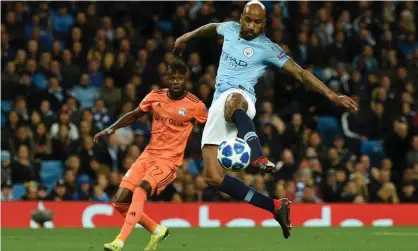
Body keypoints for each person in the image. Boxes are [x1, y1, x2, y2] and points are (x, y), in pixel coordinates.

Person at [173, 0, 358, 239]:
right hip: (218, 104)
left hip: (242, 98)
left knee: (234, 99)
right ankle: (274, 207)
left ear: (264, 23)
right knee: (213, 177)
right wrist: (186, 36)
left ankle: (257, 154)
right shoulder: (229, 28)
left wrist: (332, 95)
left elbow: (300, 73)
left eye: (257, 22)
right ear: (241, 17)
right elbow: (211, 27)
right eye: (248, 20)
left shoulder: (267, 48)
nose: (251, 26)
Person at [94, 60, 208, 251]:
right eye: (172, 78)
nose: (176, 82)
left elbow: (211, 127)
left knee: (140, 190)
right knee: (120, 201)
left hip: (169, 161)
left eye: (180, 78)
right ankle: (157, 230)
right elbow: (134, 114)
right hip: (147, 155)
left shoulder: (196, 106)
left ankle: (119, 241)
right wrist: (111, 128)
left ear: (185, 80)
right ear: (167, 79)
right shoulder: (155, 96)